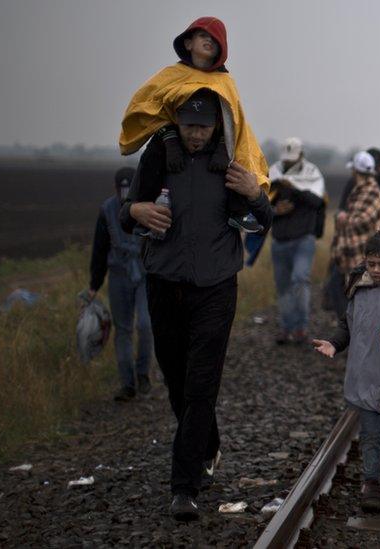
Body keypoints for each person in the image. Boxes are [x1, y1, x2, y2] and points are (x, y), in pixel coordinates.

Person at [119, 90, 273, 521]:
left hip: (215, 288)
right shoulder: (158, 156)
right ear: (178, 124)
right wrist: (138, 210)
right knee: (177, 381)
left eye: (204, 127)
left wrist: (257, 196)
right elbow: (124, 215)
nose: (196, 135)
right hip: (164, 283)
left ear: (216, 128)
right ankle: (207, 446)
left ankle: (184, 487)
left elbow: (263, 221)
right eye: (189, 126)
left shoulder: (231, 161)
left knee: (201, 385)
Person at [119, 16, 270, 233]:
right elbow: (151, 108)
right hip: (170, 137)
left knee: (237, 162)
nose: (209, 40)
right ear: (188, 43)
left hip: (218, 142)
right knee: (154, 157)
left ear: (222, 48)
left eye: (215, 38)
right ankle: (147, 214)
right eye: (202, 35)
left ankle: (238, 212)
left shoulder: (225, 82)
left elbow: (233, 122)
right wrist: (169, 138)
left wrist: (222, 144)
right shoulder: (170, 76)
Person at [311, 231, 380, 513]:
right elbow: (347, 326)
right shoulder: (357, 289)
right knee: (371, 434)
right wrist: (334, 344)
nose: (375, 270)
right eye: (371, 264)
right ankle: (371, 482)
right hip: (365, 376)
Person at [88, 167, 152, 402]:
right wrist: (95, 283)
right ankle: (127, 384)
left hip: (146, 274)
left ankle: (143, 373)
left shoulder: (150, 205)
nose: (125, 192)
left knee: (145, 325)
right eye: (121, 187)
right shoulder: (107, 210)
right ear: (116, 188)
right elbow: (100, 247)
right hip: (118, 275)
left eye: (129, 186)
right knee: (122, 330)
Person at [267, 137, 326, 345]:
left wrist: (293, 187)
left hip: (304, 239)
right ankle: (286, 327)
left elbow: (318, 202)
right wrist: (276, 211)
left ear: (301, 154)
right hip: (279, 240)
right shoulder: (273, 172)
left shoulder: (312, 174)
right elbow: (261, 204)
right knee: (283, 287)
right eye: (286, 159)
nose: (289, 162)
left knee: (300, 279)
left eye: (293, 158)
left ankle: (301, 327)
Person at [331, 151, 380, 276]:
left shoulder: (370, 191)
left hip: (373, 255)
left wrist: (344, 218)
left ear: (355, 171)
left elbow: (362, 220)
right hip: (371, 253)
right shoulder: (365, 189)